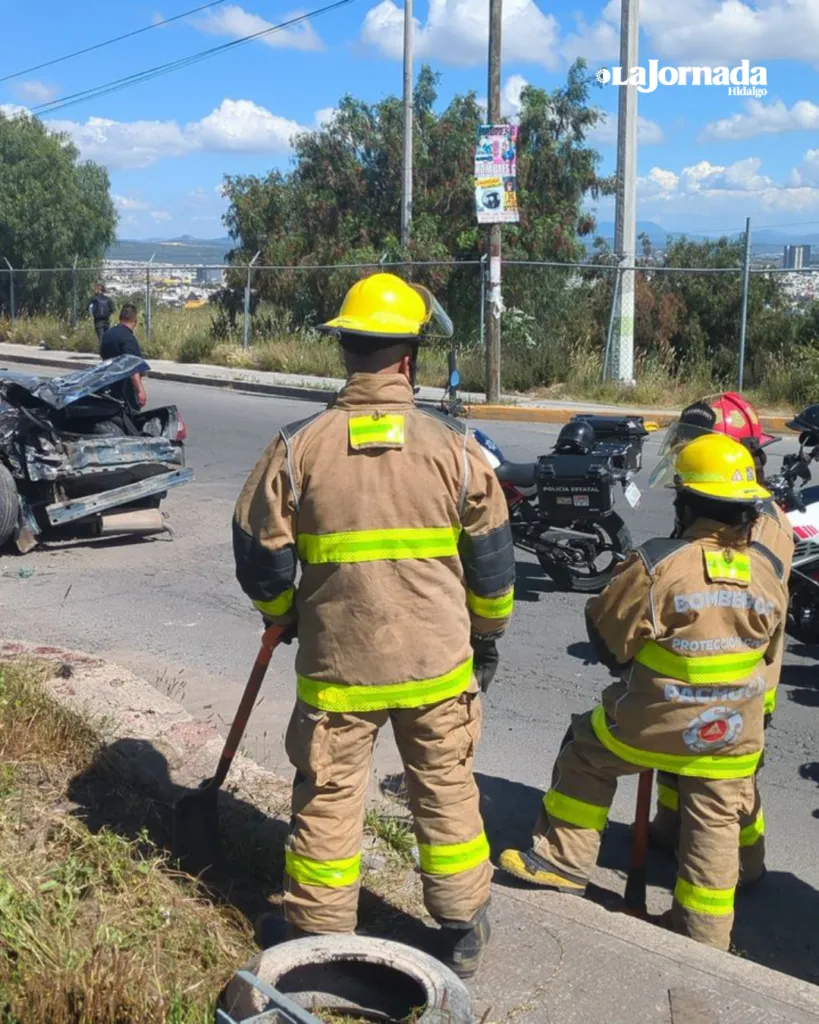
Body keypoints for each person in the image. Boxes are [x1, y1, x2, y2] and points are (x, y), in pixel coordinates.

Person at [232, 272, 515, 977]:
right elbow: (493, 567)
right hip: (438, 665)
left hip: (338, 670)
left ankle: (320, 943)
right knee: (445, 790)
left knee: (328, 801)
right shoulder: (456, 448)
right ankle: (460, 930)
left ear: (344, 352)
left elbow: (259, 556)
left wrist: (285, 617)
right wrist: (485, 638)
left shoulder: (297, 447)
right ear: (410, 359)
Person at [499, 434, 788, 951]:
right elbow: (770, 655)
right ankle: (703, 937)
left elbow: (611, 636)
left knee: (585, 751)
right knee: (716, 812)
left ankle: (561, 862)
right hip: (733, 733)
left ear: (687, 502)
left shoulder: (661, 564)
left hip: (654, 723)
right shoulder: (769, 572)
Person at [648, 394, 794, 882]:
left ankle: (744, 864)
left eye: (699, 447)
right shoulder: (718, 506)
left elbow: (735, 602)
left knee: (731, 786)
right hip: (705, 667)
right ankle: (671, 834)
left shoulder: (760, 523)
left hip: (738, 676)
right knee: (682, 766)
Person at [100, 304, 147, 410]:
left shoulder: (108, 334)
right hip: (125, 390)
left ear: (120, 318)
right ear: (134, 320)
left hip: (108, 386)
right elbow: (132, 366)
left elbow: (104, 358)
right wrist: (140, 390)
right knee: (132, 417)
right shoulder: (129, 338)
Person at [88, 282, 116, 347]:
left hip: (98, 321)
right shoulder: (108, 299)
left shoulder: (93, 299)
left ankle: (102, 354)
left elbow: (88, 308)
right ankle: (108, 353)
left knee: (101, 338)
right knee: (106, 338)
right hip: (106, 321)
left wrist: (94, 312)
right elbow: (113, 309)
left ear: (97, 290)